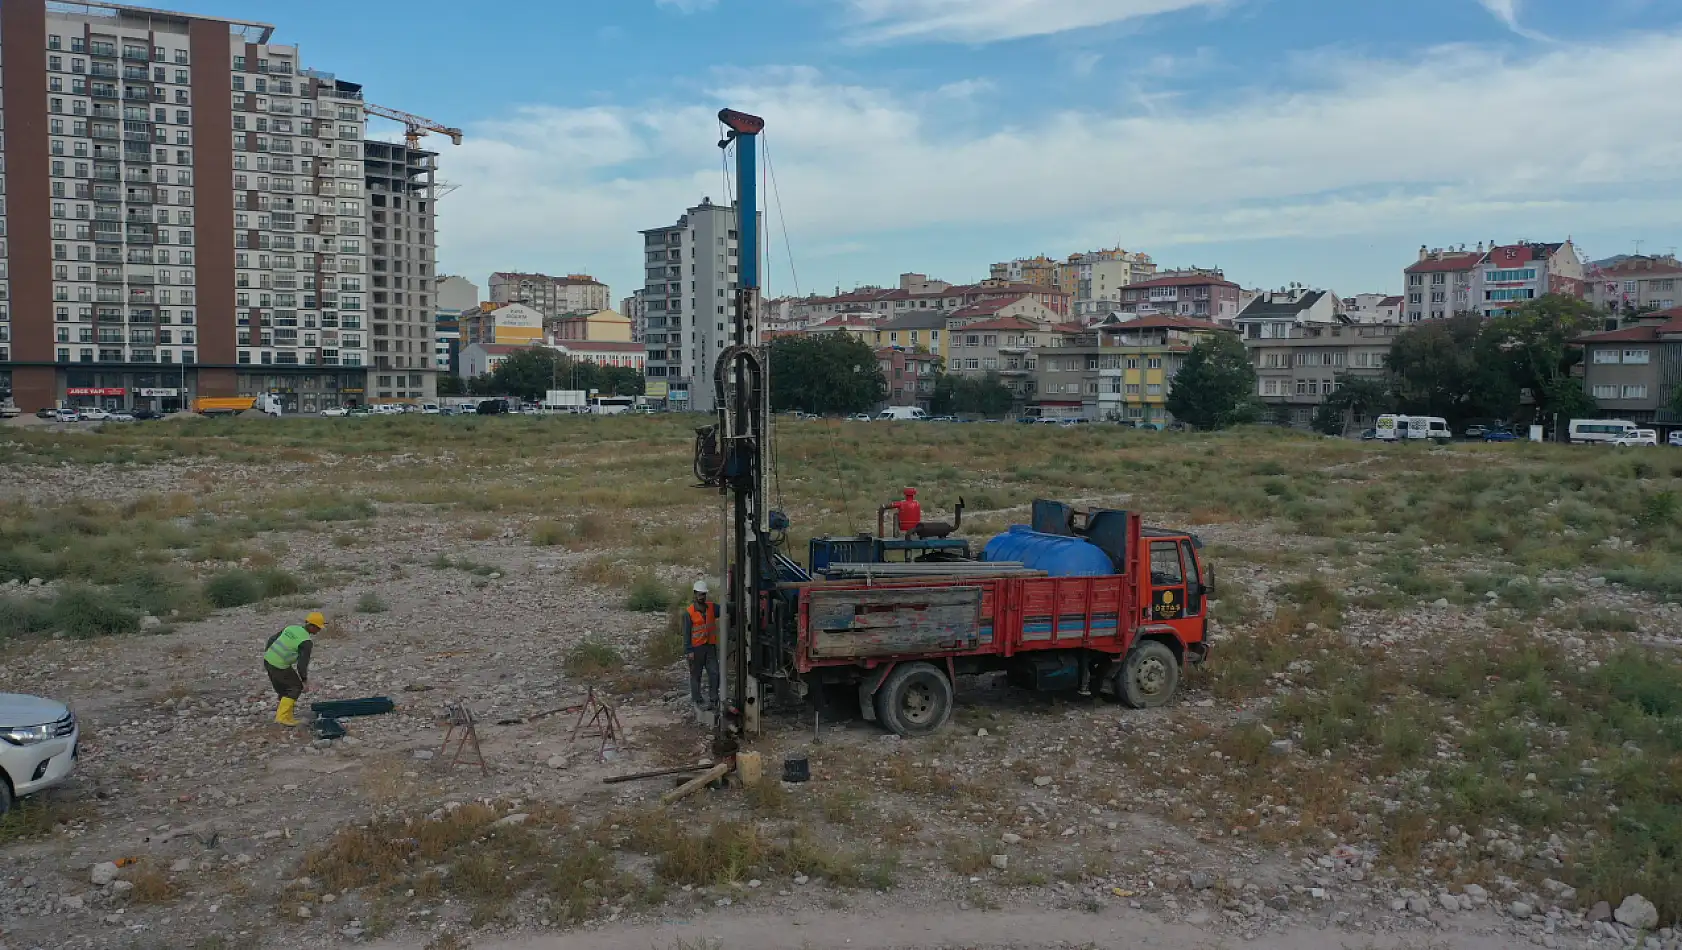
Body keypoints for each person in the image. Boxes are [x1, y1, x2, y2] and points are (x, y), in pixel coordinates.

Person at [264, 611, 324, 726]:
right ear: (311, 626)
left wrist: (269, 652)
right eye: (318, 628)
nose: (319, 630)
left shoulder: (291, 628)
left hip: (268, 660)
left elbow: (272, 639)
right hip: (279, 666)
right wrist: (304, 681)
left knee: (283, 688)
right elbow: (302, 664)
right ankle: (282, 718)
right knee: (295, 687)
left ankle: (287, 716)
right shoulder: (306, 642)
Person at [681, 581, 719, 710]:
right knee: (696, 675)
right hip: (696, 649)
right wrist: (688, 651)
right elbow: (686, 634)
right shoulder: (689, 612)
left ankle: (714, 698)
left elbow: (727, 607)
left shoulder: (712, 607)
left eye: (704, 594)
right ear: (695, 594)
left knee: (714, 673)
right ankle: (697, 699)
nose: (702, 597)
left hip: (710, 647)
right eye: (700, 594)